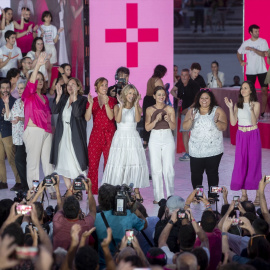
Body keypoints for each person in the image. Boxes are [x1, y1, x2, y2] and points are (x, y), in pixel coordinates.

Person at [102, 84, 149, 201]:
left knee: (135, 163)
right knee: (120, 163)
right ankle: (119, 190)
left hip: (133, 137)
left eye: (133, 94)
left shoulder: (136, 107)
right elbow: (117, 119)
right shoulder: (117, 106)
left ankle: (136, 191)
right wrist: (122, 106)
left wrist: (137, 104)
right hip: (120, 137)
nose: (132, 96)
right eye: (129, 93)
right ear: (125, 94)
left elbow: (138, 120)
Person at [21, 52, 55, 197]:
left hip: (47, 132)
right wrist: (38, 66)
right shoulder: (28, 94)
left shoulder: (45, 98)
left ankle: (52, 189)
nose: (39, 81)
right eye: (37, 79)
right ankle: (35, 191)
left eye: (42, 79)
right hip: (33, 131)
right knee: (33, 164)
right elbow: (32, 83)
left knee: (48, 164)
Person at [183, 89, 227, 198]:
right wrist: (191, 120)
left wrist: (217, 121)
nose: (204, 100)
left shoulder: (218, 110)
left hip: (214, 150)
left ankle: (213, 196)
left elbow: (224, 127)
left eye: (206, 98)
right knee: (196, 175)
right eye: (202, 98)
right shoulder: (192, 111)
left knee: (213, 174)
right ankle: (198, 196)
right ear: (198, 99)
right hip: (196, 150)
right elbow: (185, 127)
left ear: (211, 99)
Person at [224, 81, 261, 204]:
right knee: (241, 163)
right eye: (242, 88)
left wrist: (250, 110)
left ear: (251, 90)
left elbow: (254, 122)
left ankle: (257, 195)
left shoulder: (256, 104)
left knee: (254, 163)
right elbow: (233, 122)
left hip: (253, 134)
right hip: (241, 135)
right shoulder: (237, 105)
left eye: (246, 88)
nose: (243, 90)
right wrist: (230, 108)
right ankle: (244, 194)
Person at [95, 183, 147, 269]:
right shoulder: (128, 215)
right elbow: (144, 225)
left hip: (104, 265)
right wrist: (134, 209)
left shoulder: (96, 218)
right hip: (126, 264)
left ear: (100, 200)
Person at [50, 78, 88, 194]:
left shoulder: (82, 99)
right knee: (62, 162)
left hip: (74, 134)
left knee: (74, 162)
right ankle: (70, 190)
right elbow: (54, 110)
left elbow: (77, 113)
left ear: (78, 86)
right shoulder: (64, 98)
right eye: (68, 85)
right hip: (62, 133)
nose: (70, 86)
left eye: (73, 84)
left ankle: (77, 190)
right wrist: (58, 96)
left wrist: (75, 96)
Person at [85, 77, 117, 194]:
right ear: (96, 87)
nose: (105, 87)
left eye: (106, 85)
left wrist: (107, 103)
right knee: (93, 163)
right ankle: (92, 191)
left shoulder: (112, 100)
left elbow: (110, 117)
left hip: (109, 134)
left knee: (109, 163)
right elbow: (87, 118)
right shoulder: (92, 100)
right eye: (102, 85)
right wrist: (91, 104)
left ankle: (107, 190)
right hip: (96, 134)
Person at [145, 86, 176, 204]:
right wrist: (156, 120)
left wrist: (169, 120)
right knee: (155, 168)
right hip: (155, 137)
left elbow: (173, 127)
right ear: (154, 96)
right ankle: (158, 197)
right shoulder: (149, 110)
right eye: (159, 95)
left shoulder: (170, 109)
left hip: (168, 137)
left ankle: (170, 196)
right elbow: (147, 128)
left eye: (163, 95)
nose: (161, 97)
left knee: (168, 168)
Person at [53, 175, 96, 251]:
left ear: (64, 211)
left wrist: (70, 189)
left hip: (59, 261)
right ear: (79, 211)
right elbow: (92, 210)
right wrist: (89, 190)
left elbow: (61, 206)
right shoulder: (86, 224)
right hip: (78, 262)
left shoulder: (57, 220)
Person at [237, 24, 269, 117]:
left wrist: (253, 49)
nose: (257, 33)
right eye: (255, 31)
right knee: (249, 91)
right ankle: (250, 111)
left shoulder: (263, 41)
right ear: (250, 32)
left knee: (264, 90)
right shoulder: (246, 43)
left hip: (262, 69)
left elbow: (264, 54)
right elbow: (238, 53)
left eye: (258, 31)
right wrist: (241, 61)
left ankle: (262, 112)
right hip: (250, 70)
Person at [171, 69, 200, 161]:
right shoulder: (180, 83)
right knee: (184, 131)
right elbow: (172, 91)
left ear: (189, 76)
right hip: (183, 111)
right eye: (182, 75)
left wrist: (188, 109)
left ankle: (196, 152)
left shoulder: (194, 84)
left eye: (185, 75)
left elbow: (197, 100)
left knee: (195, 131)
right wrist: (178, 98)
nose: (183, 77)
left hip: (194, 110)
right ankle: (188, 153)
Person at [4, 79, 27, 191]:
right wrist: (7, 104)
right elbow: (8, 117)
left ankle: (25, 185)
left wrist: (20, 119)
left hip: (27, 136)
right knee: (20, 161)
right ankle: (24, 185)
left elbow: (32, 117)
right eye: (18, 88)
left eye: (21, 88)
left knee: (19, 159)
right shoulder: (17, 102)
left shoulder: (30, 101)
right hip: (17, 137)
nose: (19, 90)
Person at [0, 79, 21, 191]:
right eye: (3, 87)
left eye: (7, 87)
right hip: (0, 132)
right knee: (0, 159)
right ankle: (3, 181)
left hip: (9, 133)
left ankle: (19, 181)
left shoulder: (14, 101)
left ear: (10, 88)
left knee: (12, 159)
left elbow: (11, 118)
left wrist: (5, 114)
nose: (5, 90)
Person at [142, 65, 167, 149]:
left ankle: (145, 141)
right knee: (155, 120)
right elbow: (160, 94)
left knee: (147, 120)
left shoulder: (150, 79)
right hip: (153, 101)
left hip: (147, 101)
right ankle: (154, 140)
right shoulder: (158, 80)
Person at [38, 11, 64, 85]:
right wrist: (42, 33)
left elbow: (55, 41)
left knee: (49, 69)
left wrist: (58, 32)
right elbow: (39, 40)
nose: (48, 18)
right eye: (46, 17)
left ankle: (48, 86)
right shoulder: (41, 27)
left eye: (49, 17)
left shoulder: (53, 28)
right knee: (44, 68)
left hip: (51, 47)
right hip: (44, 47)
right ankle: (43, 85)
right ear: (43, 18)